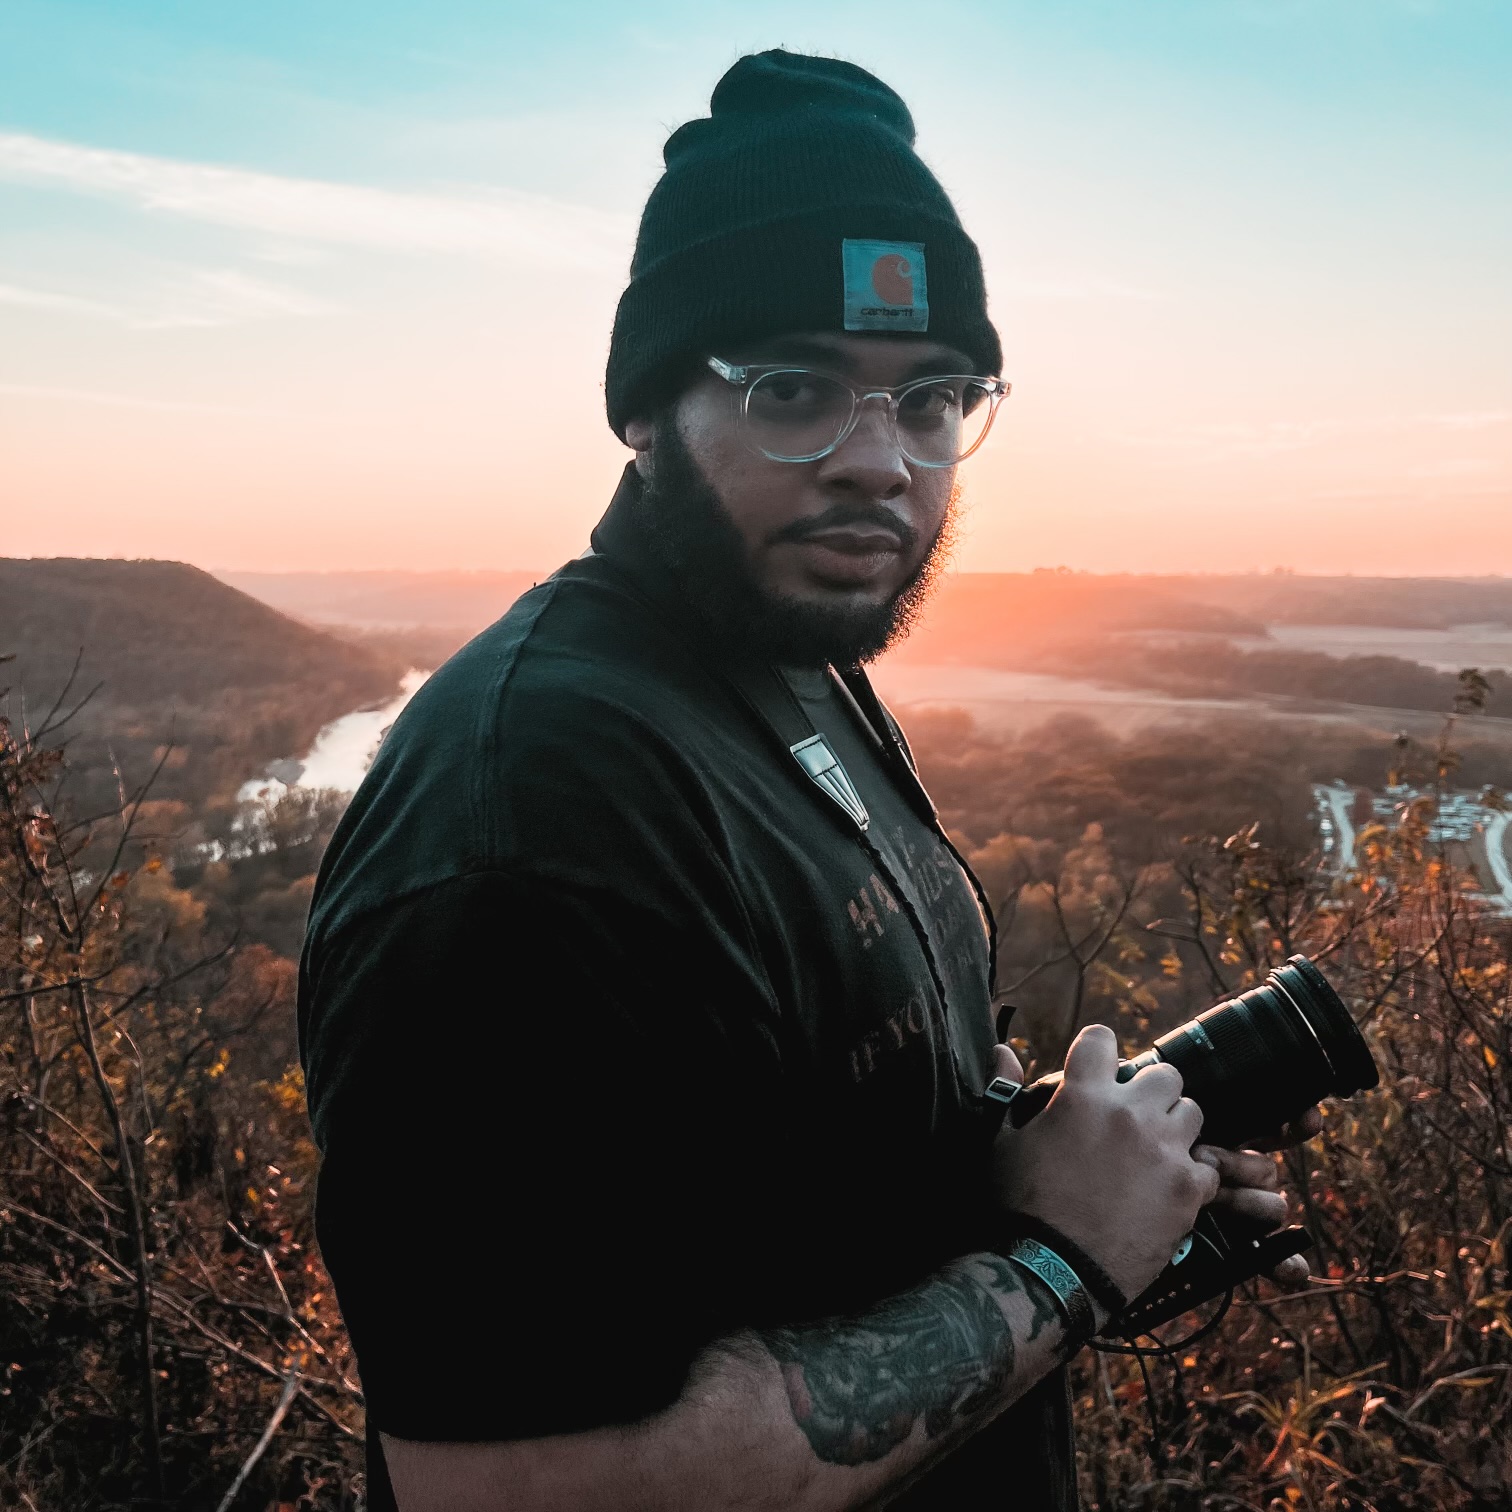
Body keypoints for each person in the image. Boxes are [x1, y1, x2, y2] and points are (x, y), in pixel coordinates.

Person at [297, 49, 1312, 1511]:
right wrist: (1062, 1263)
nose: (878, 463)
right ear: (646, 410)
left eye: (932, 397)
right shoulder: (541, 816)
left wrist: (1090, 1178)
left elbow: (804, 1161)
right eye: (792, 388)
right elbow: (518, 1484)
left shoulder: (787, 658)